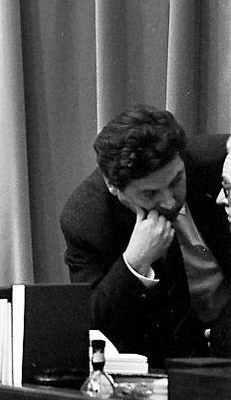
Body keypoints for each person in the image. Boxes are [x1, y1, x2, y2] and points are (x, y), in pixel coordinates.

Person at [61, 105, 231, 366]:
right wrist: (134, 263)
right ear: (113, 186)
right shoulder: (88, 220)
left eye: (176, 181)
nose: (169, 200)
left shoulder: (217, 164)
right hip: (162, 366)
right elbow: (93, 325)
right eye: (150, 194)